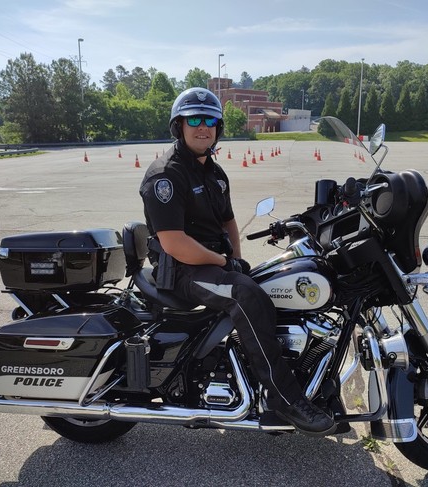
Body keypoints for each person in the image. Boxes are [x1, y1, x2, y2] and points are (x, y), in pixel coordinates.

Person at [139, 87, 335, 437]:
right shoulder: (166, 175)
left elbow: (228, 222)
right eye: (194, 120)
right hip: (183, 271)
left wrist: (238, 261)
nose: (203, 127)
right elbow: (174, 243)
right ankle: (284, 398)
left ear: (218, 128)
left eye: (210, 120)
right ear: (178, 126)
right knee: (247, 296)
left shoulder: (214, 174)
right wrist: (223, 261)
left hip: (210, 265)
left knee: (271, 284)